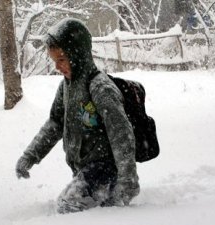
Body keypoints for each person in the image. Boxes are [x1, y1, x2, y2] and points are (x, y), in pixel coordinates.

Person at [16, 18, 139, 214]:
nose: (57, 67)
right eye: (54, 61)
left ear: (77, 55)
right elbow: (55, 123)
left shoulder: (100, 87)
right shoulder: (66, 86)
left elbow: (121, 135)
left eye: (62, 60)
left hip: (106, 169)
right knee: (81, 207)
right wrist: (31, 155)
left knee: (69, 205)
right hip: (85, 169)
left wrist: (127, 179)